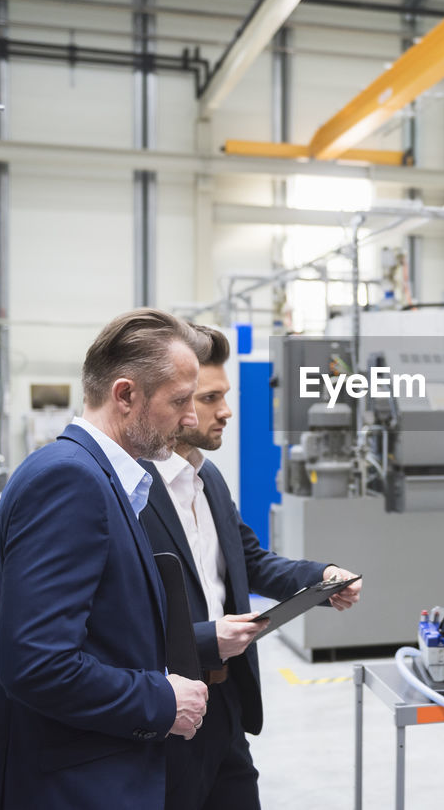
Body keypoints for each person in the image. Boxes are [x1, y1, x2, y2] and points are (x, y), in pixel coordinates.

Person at [0, 309, 212, 810]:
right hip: (69, 788)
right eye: (179, 401)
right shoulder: (70, 481)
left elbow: (107, 629)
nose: (191, 419)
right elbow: (36, 663)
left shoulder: (104, 479)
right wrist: (161, 700)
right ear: (125, 396)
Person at [139, 325, 362, 810]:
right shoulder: (132, 494)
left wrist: (319, 578)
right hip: (168, 706)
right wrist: (205, 638)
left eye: (226, 395)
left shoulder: (208, 478)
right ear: (173, 401)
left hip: (227, 705)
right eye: (211, 397)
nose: (226, 411)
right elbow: (126, 619)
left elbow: (250, 561)